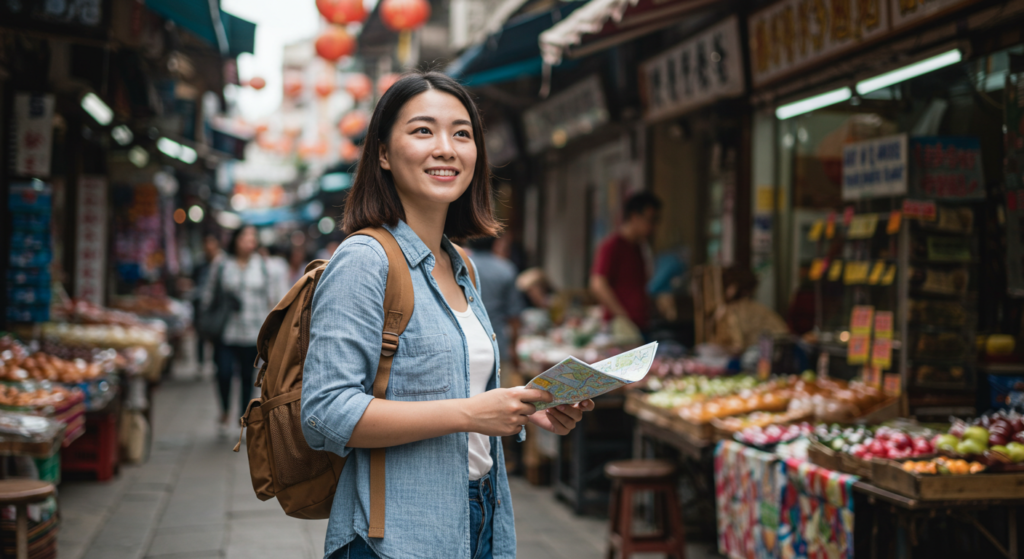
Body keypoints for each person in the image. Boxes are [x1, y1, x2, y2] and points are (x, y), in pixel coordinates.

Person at [300, 72, 594, 559]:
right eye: (422, 131)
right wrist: (470, 414)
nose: (446, 148)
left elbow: (459, 390)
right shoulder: (365, 260)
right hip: (395, 534)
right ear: (383, 153)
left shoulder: (462, 267)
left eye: (462, 133)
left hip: (479, 518)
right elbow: (325, 413)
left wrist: (527, 411)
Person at [202, 225, 288, 431]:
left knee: (247, 377)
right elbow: (209, 295)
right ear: (235, 240)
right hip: (226, 331)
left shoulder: (265, 266)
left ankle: (242, 416)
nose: (250, 241)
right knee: (223, 372)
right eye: (245, 237)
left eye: (253, 237)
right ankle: (224, 409)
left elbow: (274, 299)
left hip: (253, 332)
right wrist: (206, 319)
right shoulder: (222, 264)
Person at [589, 192, 662, 337]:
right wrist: (623, 317)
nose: (653, 227)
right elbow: (598, 284)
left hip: (641, 325)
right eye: (651, 220)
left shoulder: (639, 248)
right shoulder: (612, 246)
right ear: (634, 217)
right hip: (622, 329)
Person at [467, 236, 524, 371]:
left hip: (465, 342)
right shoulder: (505, 268)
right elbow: (514, 315)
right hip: (496, 342)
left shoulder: (459, 265)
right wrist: (513, 349)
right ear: (495, 243)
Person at [713, 265, 789, 355]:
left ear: (733, 287)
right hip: (783, 353)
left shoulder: (731, 311)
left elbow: (737, 347)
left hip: (762, 358)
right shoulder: (759, 308)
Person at [192, 234, 224, 374]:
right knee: (201, 334)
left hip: (218, 307)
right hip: (202, 305)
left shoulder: (223, 263)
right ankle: (200, 363)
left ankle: (217, 363)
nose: (209, 247)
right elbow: (194, 282)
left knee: (217, 336)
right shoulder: (200, 263)